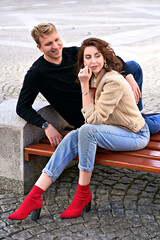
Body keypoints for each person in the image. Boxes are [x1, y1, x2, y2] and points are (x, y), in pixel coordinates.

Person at [8, 37, 150, 220]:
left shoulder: (112, 81)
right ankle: (33, 197)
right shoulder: (93, 78)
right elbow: (89, 119)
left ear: (105, 58)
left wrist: (84, 86)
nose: (93, 61)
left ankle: (82, 195)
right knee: (73, 135)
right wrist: (86, 85)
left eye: (97, 56)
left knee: (85, 130)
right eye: (88, 57)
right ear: (82, 61)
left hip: (134, 134)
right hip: (112, 131)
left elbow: (92, 121)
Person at [16, 23, 159, 148]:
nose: (55, 46)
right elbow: (22, 107)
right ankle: (139, 119)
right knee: (147, 125)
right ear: (39, 47)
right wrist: (46, 126)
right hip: (90, 120)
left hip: (104, 107)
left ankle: (136, 112)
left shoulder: (74, 53)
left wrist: (129, 77)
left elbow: (111, 58)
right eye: (48, 44)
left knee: (132, 67)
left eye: (56, 40)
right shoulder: (37, 73)